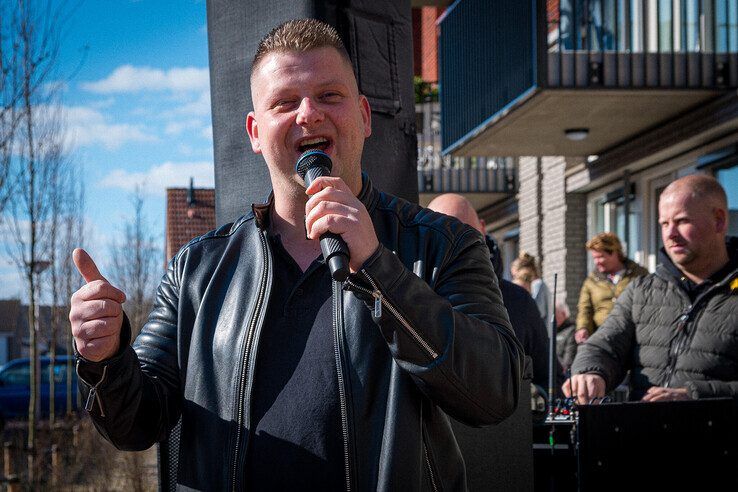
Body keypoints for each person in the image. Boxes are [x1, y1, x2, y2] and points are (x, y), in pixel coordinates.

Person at [69, 19, 524, 490]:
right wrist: (106, 356)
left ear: (365, 117)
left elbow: (495, 392)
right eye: (285, 102)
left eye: (329, 96)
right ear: (255, 131)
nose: (308, 114)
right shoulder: (197, 271)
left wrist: (377, 267)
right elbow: (135, 422)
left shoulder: (440, 245)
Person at [563, 175, 738, 404]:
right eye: (665, 224)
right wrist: (591, 372)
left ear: (719, 221)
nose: (670, 234)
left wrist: (694, 396)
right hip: (641, 434)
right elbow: (603, 345)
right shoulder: (642, 291)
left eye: (682, 221)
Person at [427, 193, 562, 390]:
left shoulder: (519, 301)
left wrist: (531, 401)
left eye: (464, 233)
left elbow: (550, 381)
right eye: (443, 235)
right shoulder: (411, 298)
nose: (455, 246)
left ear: (482, 229)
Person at [574, 232, 648, 344]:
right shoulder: (591, 281)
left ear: (614, 252)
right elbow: (585, 309)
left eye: (600, 257)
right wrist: (583, 328)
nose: (596, 262)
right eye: (594, 258)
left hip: (634, 336)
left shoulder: (639, 275)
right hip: (602, 337)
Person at [511, 252, 551, 324]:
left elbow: (535, 312)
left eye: (515, 276)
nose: (515, 279)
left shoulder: (537, 285)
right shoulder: (538, 284)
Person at [554, 302, 577, 372]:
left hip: (562, 374)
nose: (553, 318)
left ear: (563, 314)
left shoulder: (572, 331)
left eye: (555, 314)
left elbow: (568, 360)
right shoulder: (551, 331)